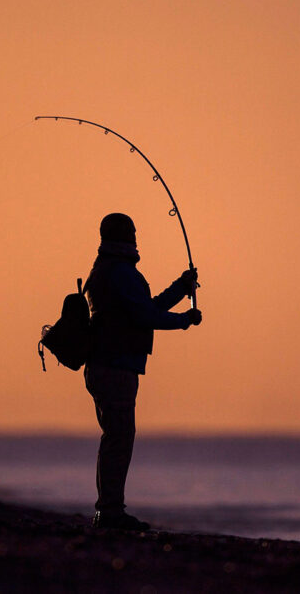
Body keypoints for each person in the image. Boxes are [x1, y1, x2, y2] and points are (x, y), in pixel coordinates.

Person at [83, 212, 201, 530]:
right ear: (125, 236)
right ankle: (109, 512)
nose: (137, 238)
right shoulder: (119, 273)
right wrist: (184, 321)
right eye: (133, 232)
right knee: (118, 438)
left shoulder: (110, 270)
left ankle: (109, 509)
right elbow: (145, 316)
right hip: (114, 365)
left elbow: (146, 309)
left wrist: (180, 288)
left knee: (116, 437)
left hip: (109, 364)